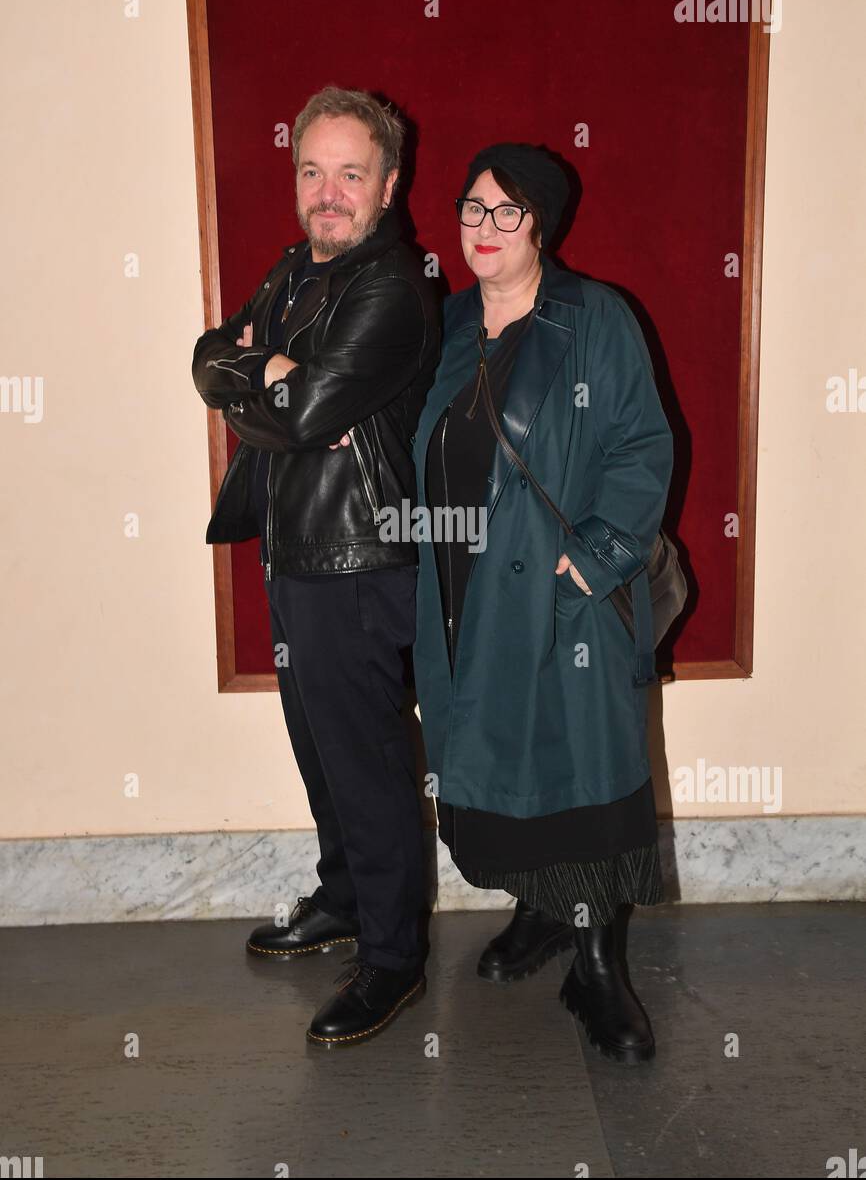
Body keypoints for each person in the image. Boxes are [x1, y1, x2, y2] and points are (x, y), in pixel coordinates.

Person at [411, 143, 674, 1064]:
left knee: (582, 781)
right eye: (471, 209)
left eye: (506, 213)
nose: (483, 229)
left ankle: (597, 967)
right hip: (465, 596)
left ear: (542, 226)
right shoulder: (444, 326)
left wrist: (591, 561)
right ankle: (541, 912)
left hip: (565, 606)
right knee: (502, 766)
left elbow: (643, 446)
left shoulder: (592, 318)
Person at [191, 87, 440, 1048]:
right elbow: (213, 358)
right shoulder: (295, 270)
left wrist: (272, 385)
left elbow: (294, 416)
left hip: (359, 561)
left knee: (369, 763)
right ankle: (344, 899)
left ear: (387, 184)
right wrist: (267, 373)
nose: (328, 193)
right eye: (312, 171)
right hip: (295, 549)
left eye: (350, 173)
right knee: (317, 750)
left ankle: (392, 961)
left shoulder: (390, 288)